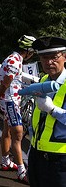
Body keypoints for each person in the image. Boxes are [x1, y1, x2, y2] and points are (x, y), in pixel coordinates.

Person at [0, 35, 36, 183]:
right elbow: (6, 83)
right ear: (28, 50)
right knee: (18, 134)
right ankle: (21, 171)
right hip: (10, 101)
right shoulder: (14, 60)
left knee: (7, 131)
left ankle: (6, 161)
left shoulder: (14, 58)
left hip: (11, 100)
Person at [28, 36, 66, 186]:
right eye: (44, 57)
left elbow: (48, 111)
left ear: (64, 57)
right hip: (37, 153)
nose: (49, 62)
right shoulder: (43, 80)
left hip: (60, 159)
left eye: (54, 57)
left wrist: (52, 109)